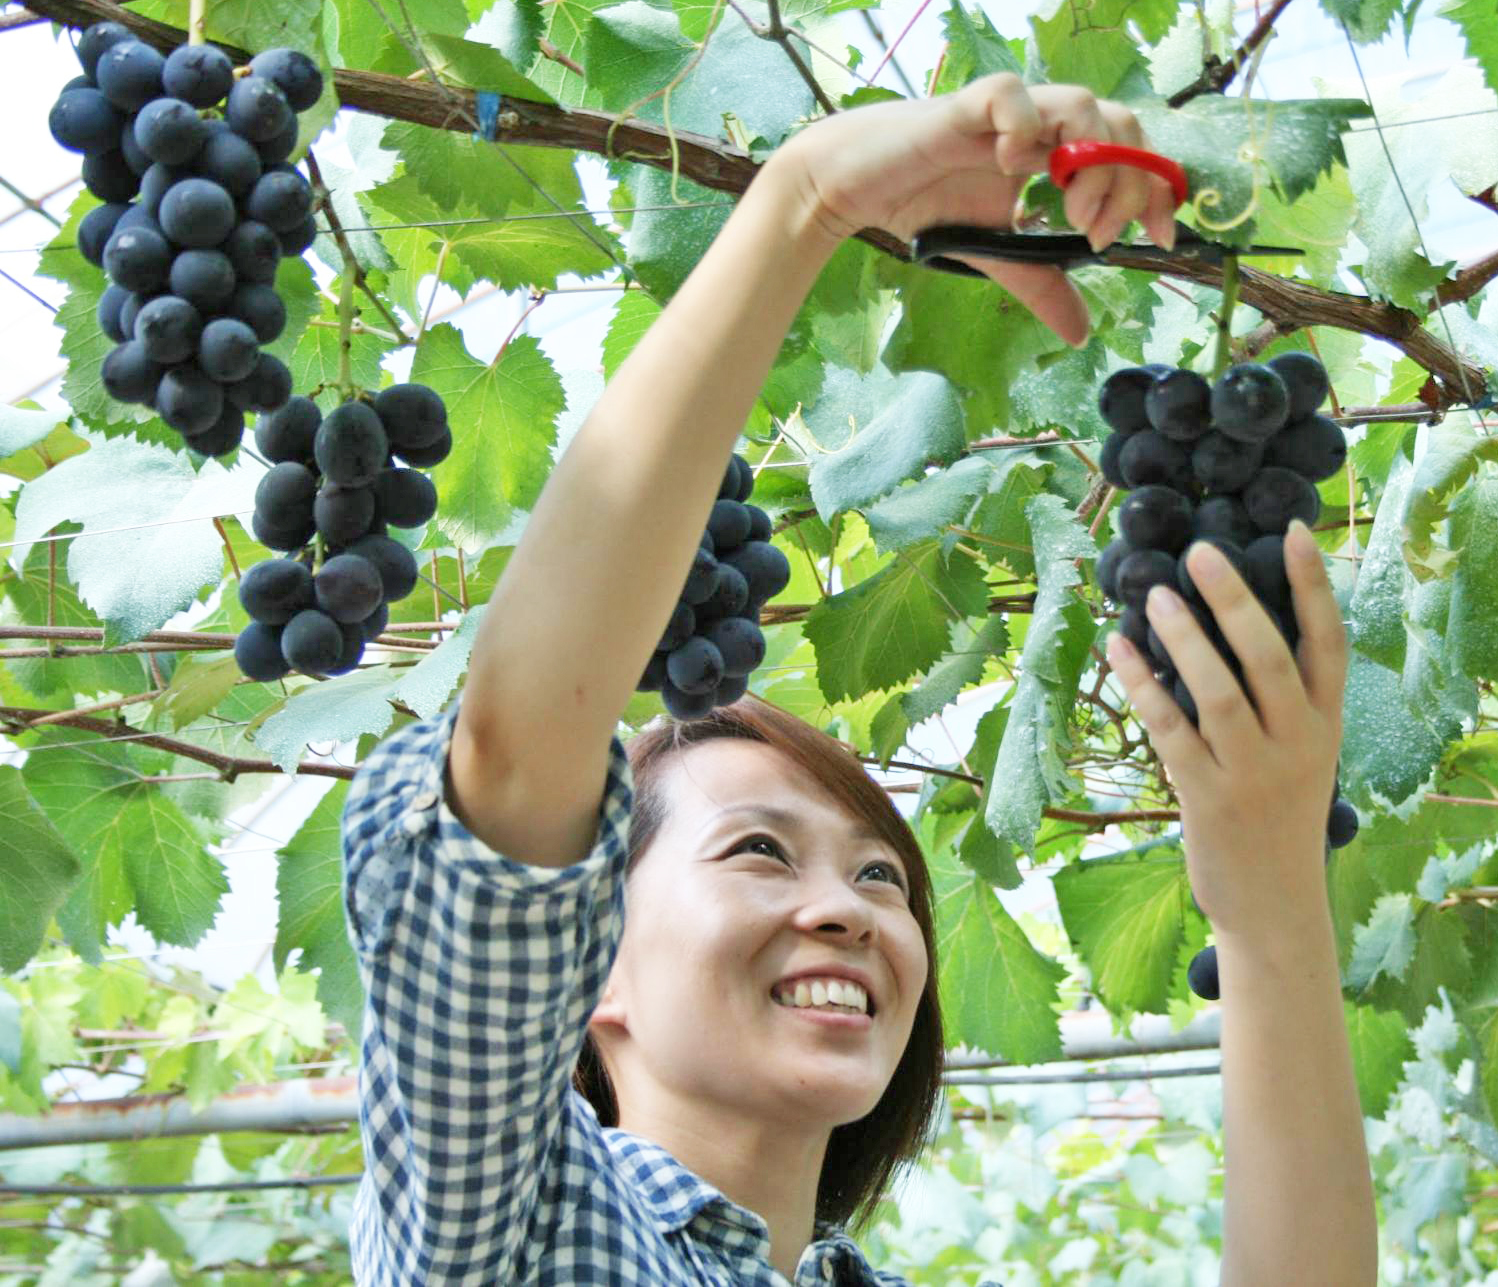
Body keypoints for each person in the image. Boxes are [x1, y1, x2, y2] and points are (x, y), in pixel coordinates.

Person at [340, 71, 1377, 1284]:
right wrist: (809, 199)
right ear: (591, 961)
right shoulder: (505, 1230)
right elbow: (518, 750)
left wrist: (1268, 920)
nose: (851, 911)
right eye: (758, 850)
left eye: (883, 876)